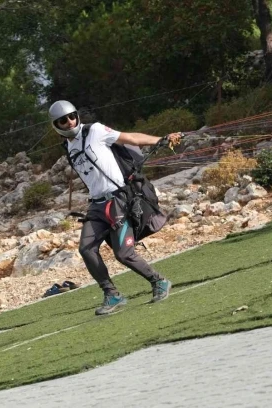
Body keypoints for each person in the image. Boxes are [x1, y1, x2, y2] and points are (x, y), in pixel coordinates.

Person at [48, 100, 181, 315]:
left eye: (72, 116)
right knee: (86, 249)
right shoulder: (69, 147)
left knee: (123, 254)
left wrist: (160, 140)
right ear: (56, 125)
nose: (70, 121)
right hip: (96, 205)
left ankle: (159, 281)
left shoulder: (95, 131)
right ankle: (112, 294)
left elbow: (130, 138)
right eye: (63, 120)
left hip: (118, 200)